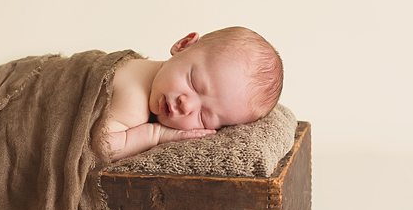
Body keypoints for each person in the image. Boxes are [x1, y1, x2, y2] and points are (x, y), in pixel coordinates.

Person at [105, 26, 283, 161]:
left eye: (204, 117)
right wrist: (156, 135)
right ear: (183, 45)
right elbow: (98, 148)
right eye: (193, 82)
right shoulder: (134, 104)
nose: (187, 105)